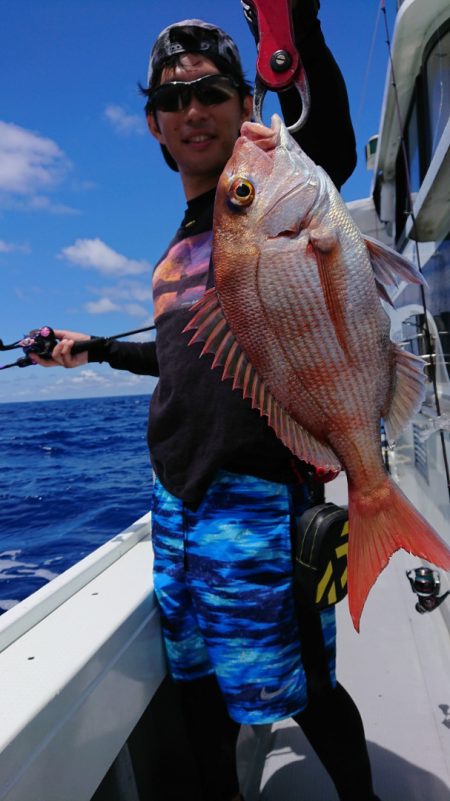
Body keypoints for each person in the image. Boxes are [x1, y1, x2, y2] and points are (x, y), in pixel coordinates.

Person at [34, 4, 382, 800]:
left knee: (306, 689)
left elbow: (323, 138)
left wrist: (295, 26)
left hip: (258, 498)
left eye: (213, 91)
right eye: (172, 100)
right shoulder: (176, 249)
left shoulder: (268, 197)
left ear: (246, 107)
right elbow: (185, 361)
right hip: (175, 506)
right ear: (154, 125)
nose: (193, 110)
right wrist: (94, 348)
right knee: (198, 692)